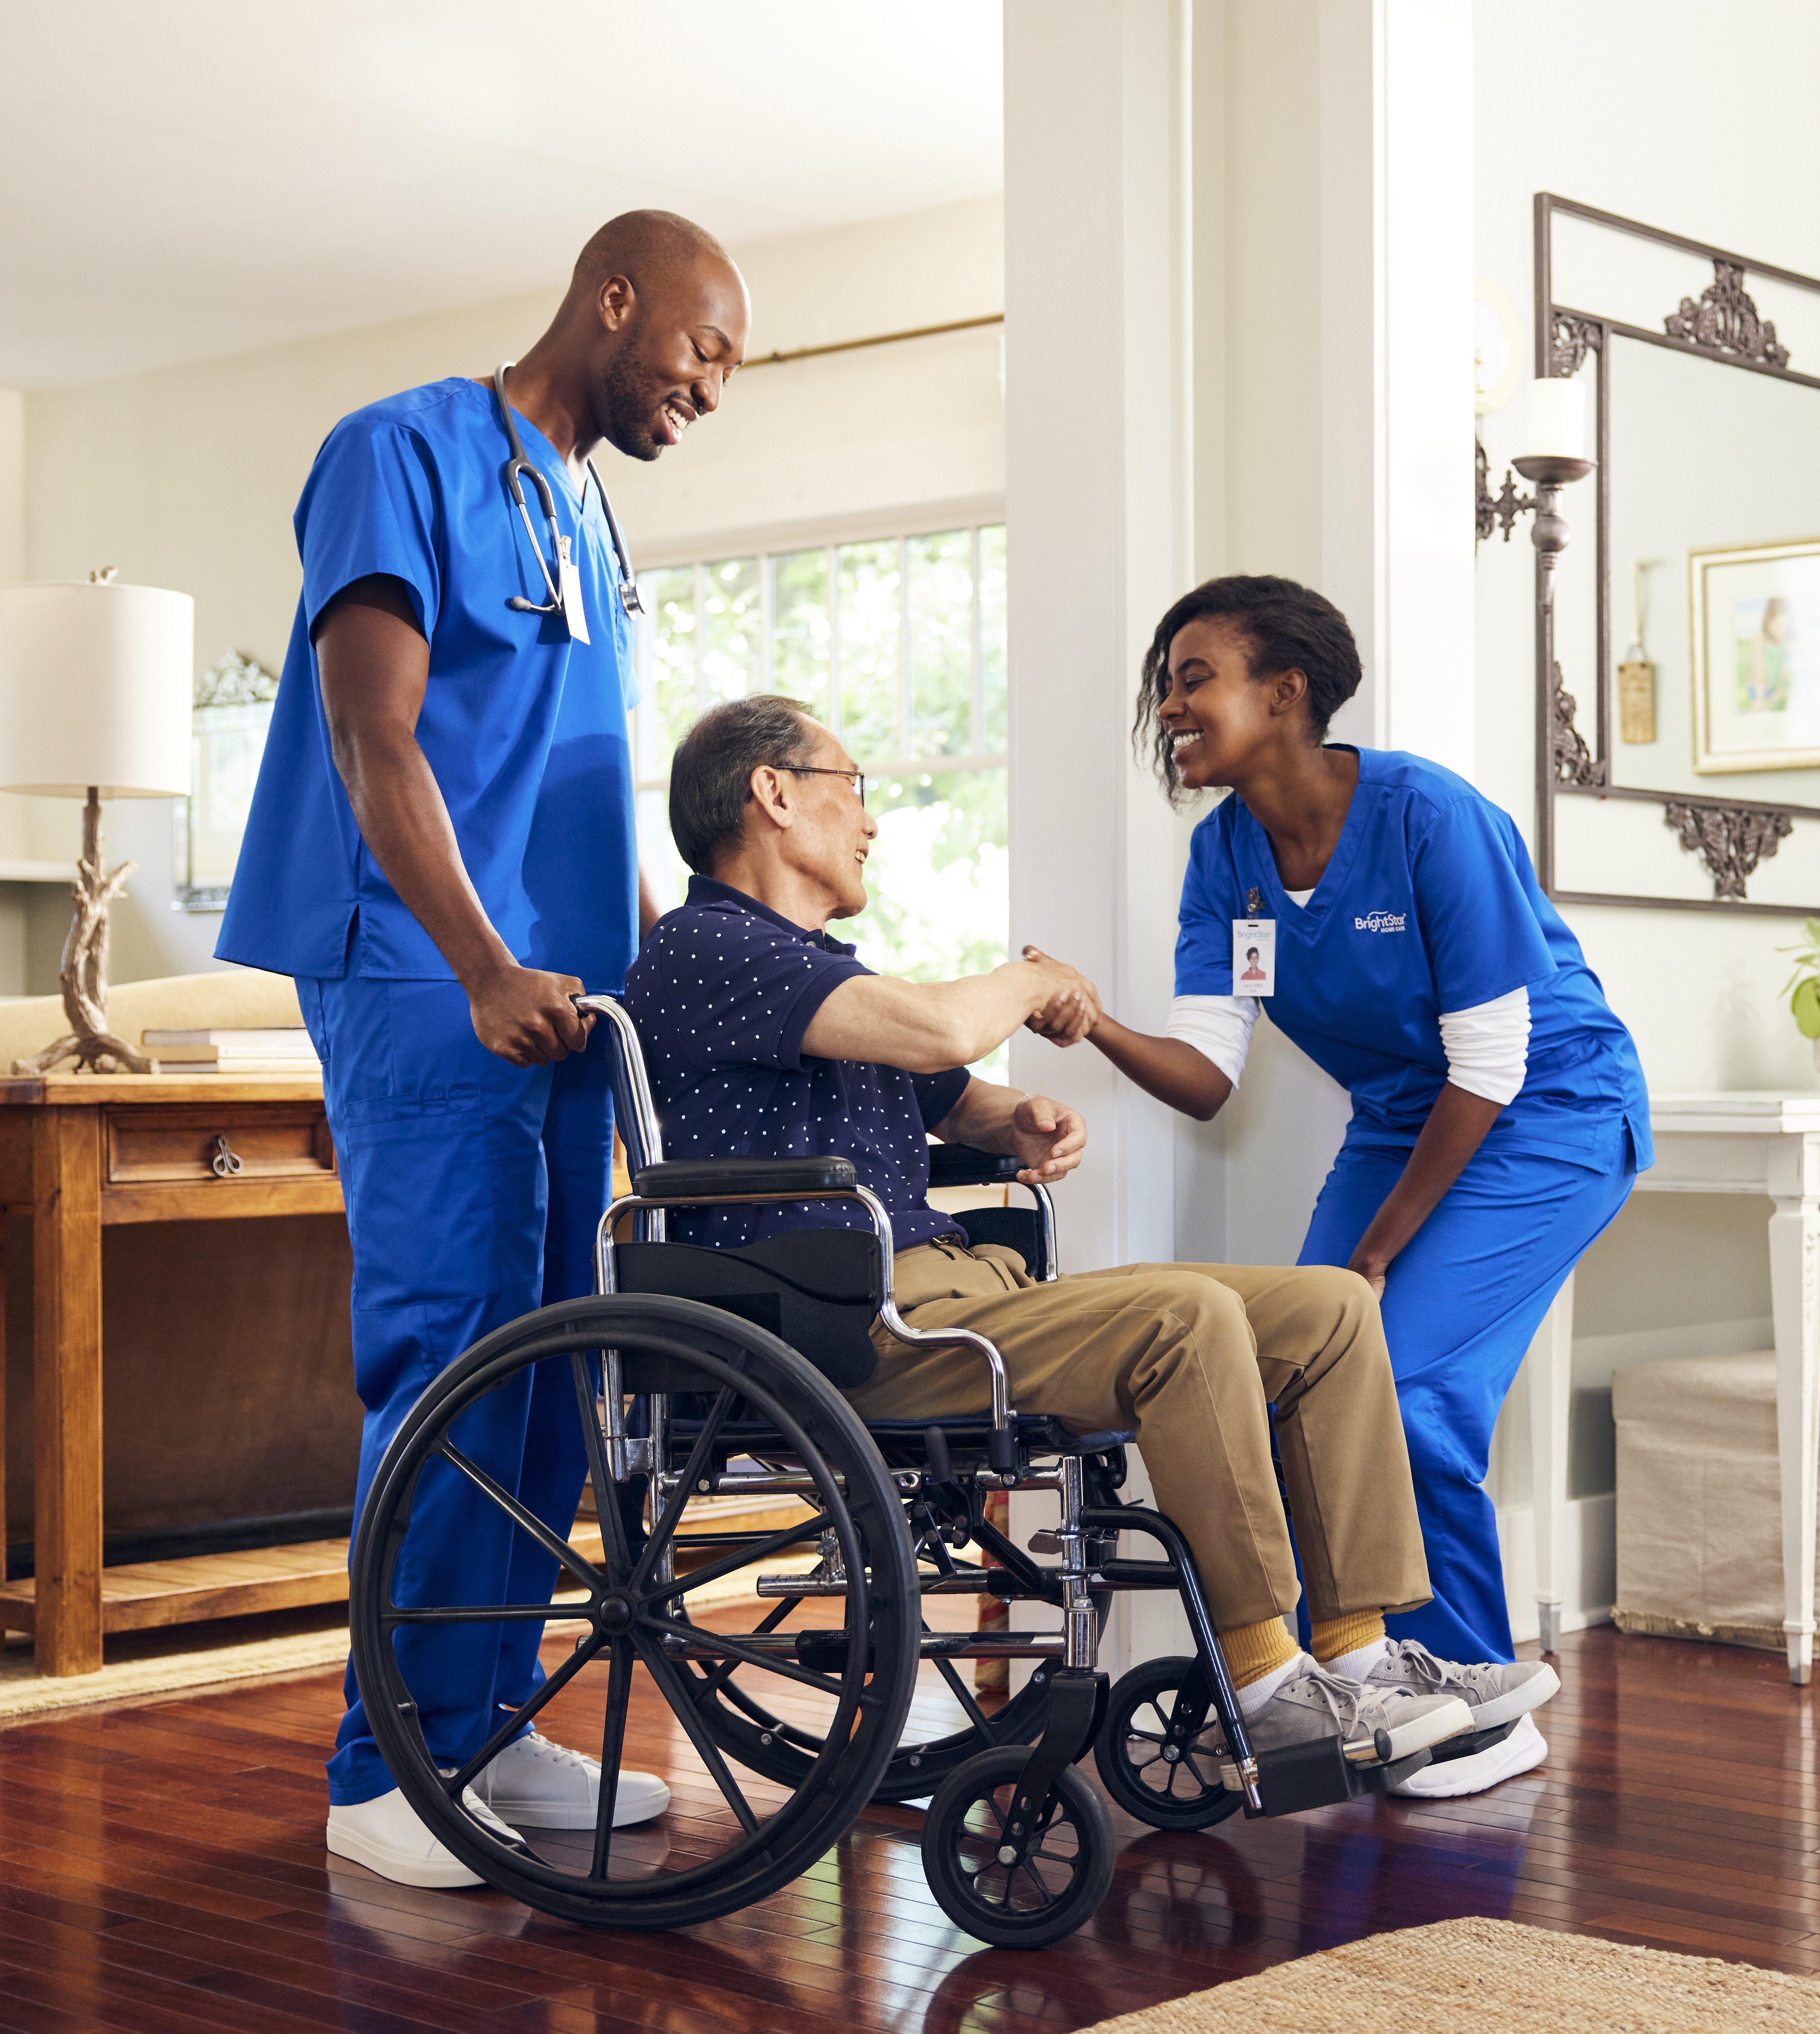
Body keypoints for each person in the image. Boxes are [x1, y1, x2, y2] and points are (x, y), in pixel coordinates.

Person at [619, 694, 1562, 1787]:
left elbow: (939, 1085)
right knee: (1187, 1317)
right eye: (854, 787)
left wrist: (1010, 1119)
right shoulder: (704, 949)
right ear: (775, 795)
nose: (871, 821)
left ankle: (1359, 1658)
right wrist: (1035, 978)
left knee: (1331, 1309)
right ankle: (1266, 1683)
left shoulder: (812, 965)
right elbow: (937, 1028)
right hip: (849, 1329)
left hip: (951, 1292)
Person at [218, 211, 749, 1889]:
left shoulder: (589, 510)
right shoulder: (401, 451)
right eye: (703, 349)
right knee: (450, 1356)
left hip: (568, 993)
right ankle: (385, 1769)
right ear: (613, 302)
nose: (710, 392)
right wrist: (476, 958)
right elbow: (374, 737)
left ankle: (485, 1714)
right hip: (430, 977)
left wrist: (653, 947)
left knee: (554, 1366)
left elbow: (568, 766)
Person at [1066, 575, 1651, 1797]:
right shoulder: (1223, 853)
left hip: (1547, 1111)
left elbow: (1491, 1064)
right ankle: (1370, 1680)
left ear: (1285, 695)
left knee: (1411, 1383)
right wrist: (1090, 1022)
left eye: (1193, 679)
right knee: (1300, 1375)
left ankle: (1482, 1699)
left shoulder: (1431, 817)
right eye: (1165, 685)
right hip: (1405, 1119)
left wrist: (1375, 1255)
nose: (1170, 706)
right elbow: (1211, 1073)